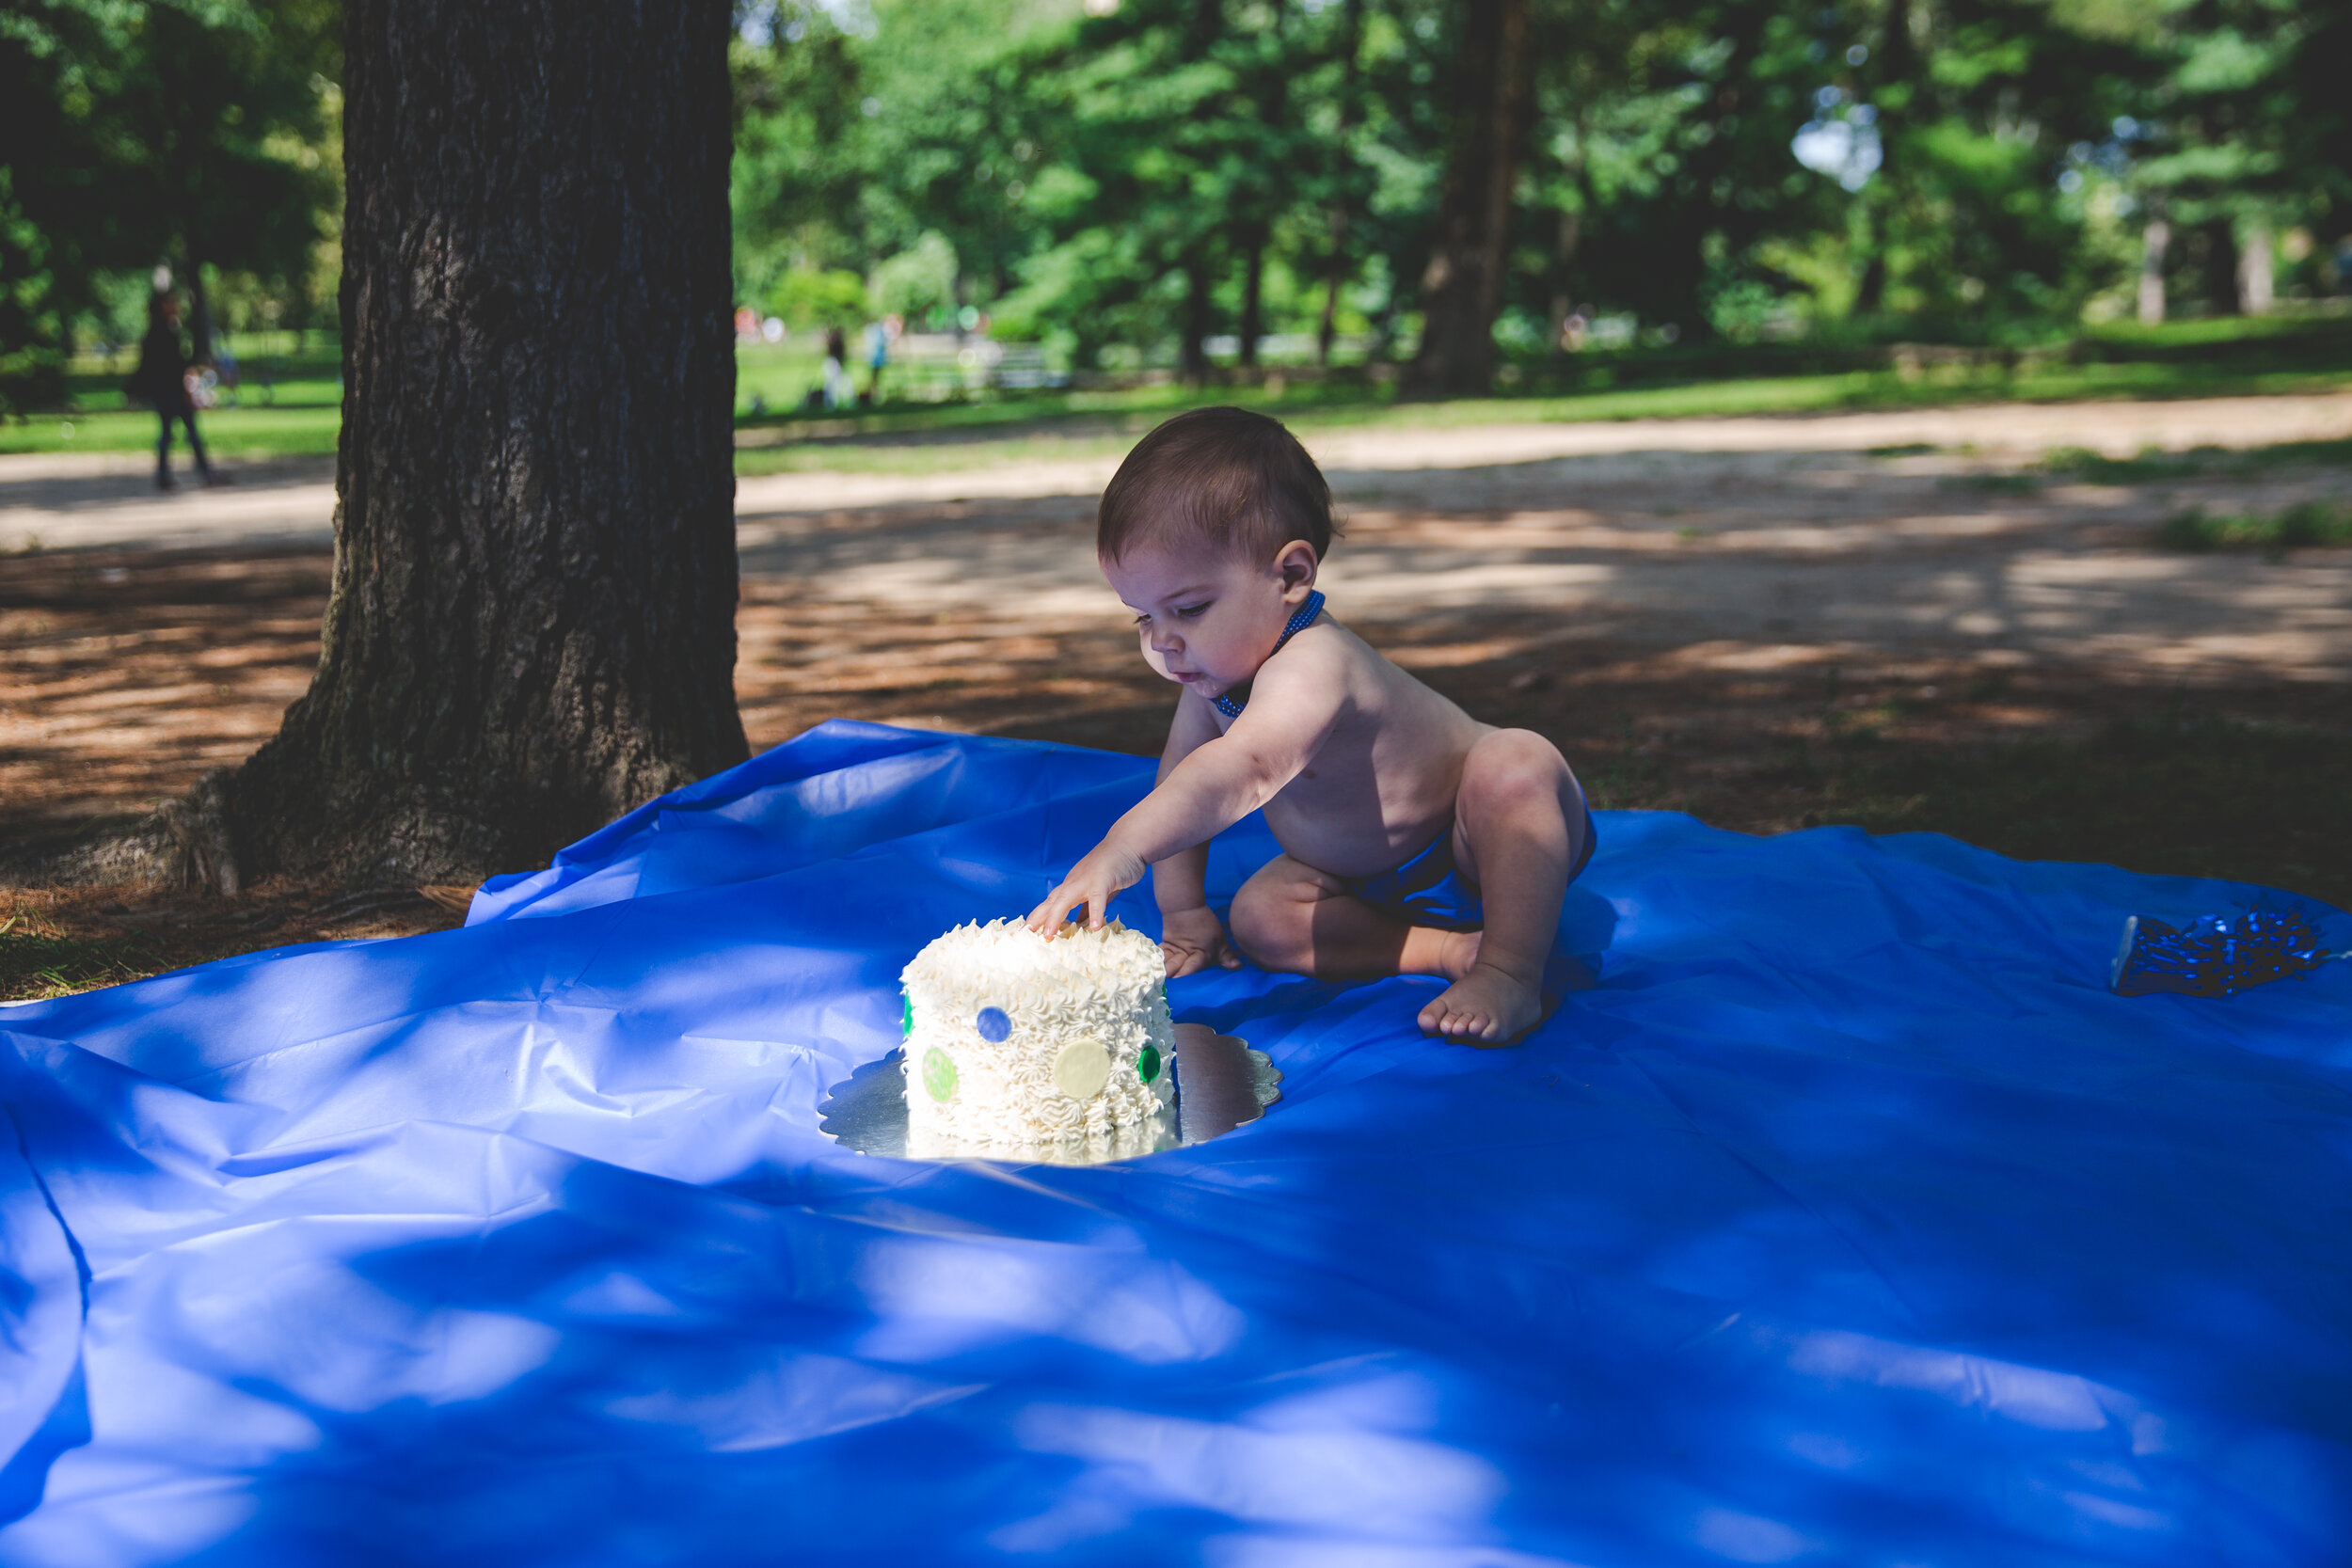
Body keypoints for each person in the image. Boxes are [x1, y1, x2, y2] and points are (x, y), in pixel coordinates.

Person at [1027, 407, 1595, 1044]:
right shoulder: (1212, 679)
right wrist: (1184, 914)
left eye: (1187, 609)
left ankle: (1510, 968)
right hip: (1358, 883)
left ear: (1291, 576)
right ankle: (1447, 951)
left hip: (1473, 841)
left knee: (1515, 761)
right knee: (1260, 916)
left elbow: (1242, 770)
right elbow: (1180, 780)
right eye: (1142, 618)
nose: (1163, 642)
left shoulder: (1316, 662)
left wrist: (1124, 844)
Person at [130, 288, 225, 491]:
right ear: (162, 306)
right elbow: (167, 365)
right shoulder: (163, 331)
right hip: (169, 391)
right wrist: (184, 389)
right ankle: (201, 472)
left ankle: (172, 473)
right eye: (171, 302)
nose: (176, 305)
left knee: (173, 432)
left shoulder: (163, 330)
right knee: (182, 431)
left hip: (166, 390)